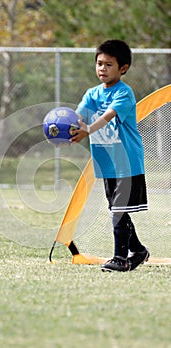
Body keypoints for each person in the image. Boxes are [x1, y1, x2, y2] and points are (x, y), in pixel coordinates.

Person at [70, 39, 149, 272]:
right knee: (118, 211)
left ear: (123, 68)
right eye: (99, 64)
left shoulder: (124, 93)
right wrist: (68, 129)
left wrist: (87, 130)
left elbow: (108, 116)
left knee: (118, 212)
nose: (102, 69)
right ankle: (139, 251)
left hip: (127, 163)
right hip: (107, 164)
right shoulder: (92, 93)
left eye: (109, 65)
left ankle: (120, 258)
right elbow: (79, 115)